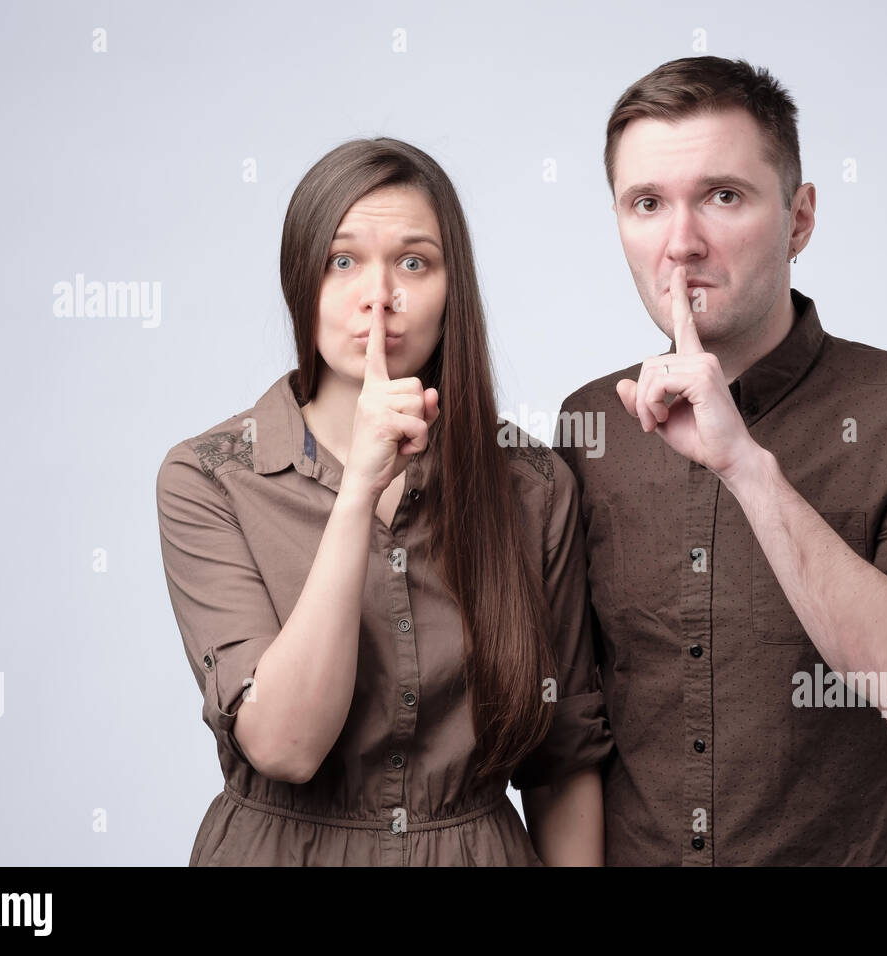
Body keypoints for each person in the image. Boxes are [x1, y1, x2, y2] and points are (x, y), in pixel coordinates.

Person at [555, 56, 887, 865]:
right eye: (647, 203)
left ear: (799, 219)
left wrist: (745, 465)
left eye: (723, 196)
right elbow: (569, 731)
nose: (681, 243)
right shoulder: (589, 424)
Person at [156, 138, 612, 866]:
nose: (379, 295)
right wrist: (359, 488)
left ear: (449, 287)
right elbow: (285, 745)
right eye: (342, 262)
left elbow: (562, 764)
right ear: (298, 282)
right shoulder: (207, 480)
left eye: (414, 262)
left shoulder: (533, 484)